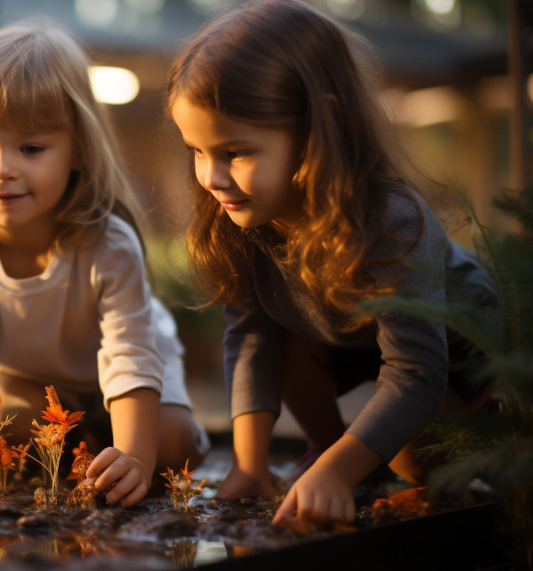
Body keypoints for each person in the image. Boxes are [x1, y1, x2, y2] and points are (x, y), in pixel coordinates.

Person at [165, 0, 498, 526]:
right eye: (197, 151)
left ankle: (352, 462)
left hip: (464, 368)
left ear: (319, 127)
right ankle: (330, 453)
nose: (211, 176)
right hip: (351, 342)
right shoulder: (246, 215)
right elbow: (251, 337)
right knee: (283, 340)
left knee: (420, 465)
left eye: (235, 152)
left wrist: (344, 470)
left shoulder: (391, 220)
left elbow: (416, 370)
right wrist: (250, 466)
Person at [0, 22, 209, 507]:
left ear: (78, 149)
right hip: (26, 389)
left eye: (30, 148)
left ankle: (109, 456)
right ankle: (91, 457)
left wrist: (137, 458)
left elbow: (132, 359)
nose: (1, 168)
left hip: (133, 390)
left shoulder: (107, 245)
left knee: (171, 443)